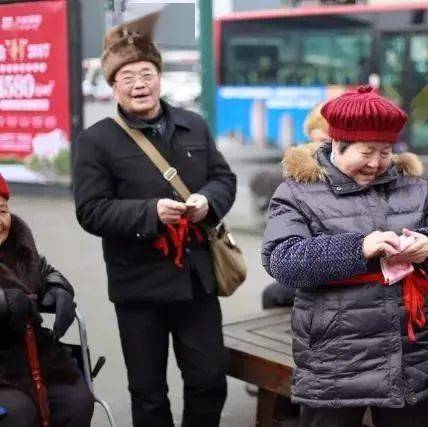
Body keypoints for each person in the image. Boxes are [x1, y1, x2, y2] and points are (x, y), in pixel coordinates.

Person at [261, 86, 428, 427]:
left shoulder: (412, 186)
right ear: (337, 144)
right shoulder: (298, 191)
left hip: (409, 357)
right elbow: (283, 260)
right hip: (336, 359)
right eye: (367, 152)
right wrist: (359, 248)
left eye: (386, 152)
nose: (376, 163)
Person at [73, 13, 236, 427]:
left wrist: (207, 202)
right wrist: (150, 213)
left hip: (197, 281)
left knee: (209, 380)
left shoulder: (192, 125)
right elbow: (90, 210)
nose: (139, 84)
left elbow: (224, 178)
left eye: (146, 73)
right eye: (126, 78)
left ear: (160, 77)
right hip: (137, 286)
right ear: (113, 87)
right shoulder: (96, 141)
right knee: (147, 393)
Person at [0, 173, 94, 427]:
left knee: (76, 402)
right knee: (18, 414)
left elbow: (46, 271)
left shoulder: (20, 247)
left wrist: (58, 288)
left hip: (30, 358)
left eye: (2, 211)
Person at [261, 102, 329, 310]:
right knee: (273, 294)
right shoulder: (298, 182)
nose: (315, 148)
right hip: (310, 267)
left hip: (335, 275)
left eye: (323, 141)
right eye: (313, 140)